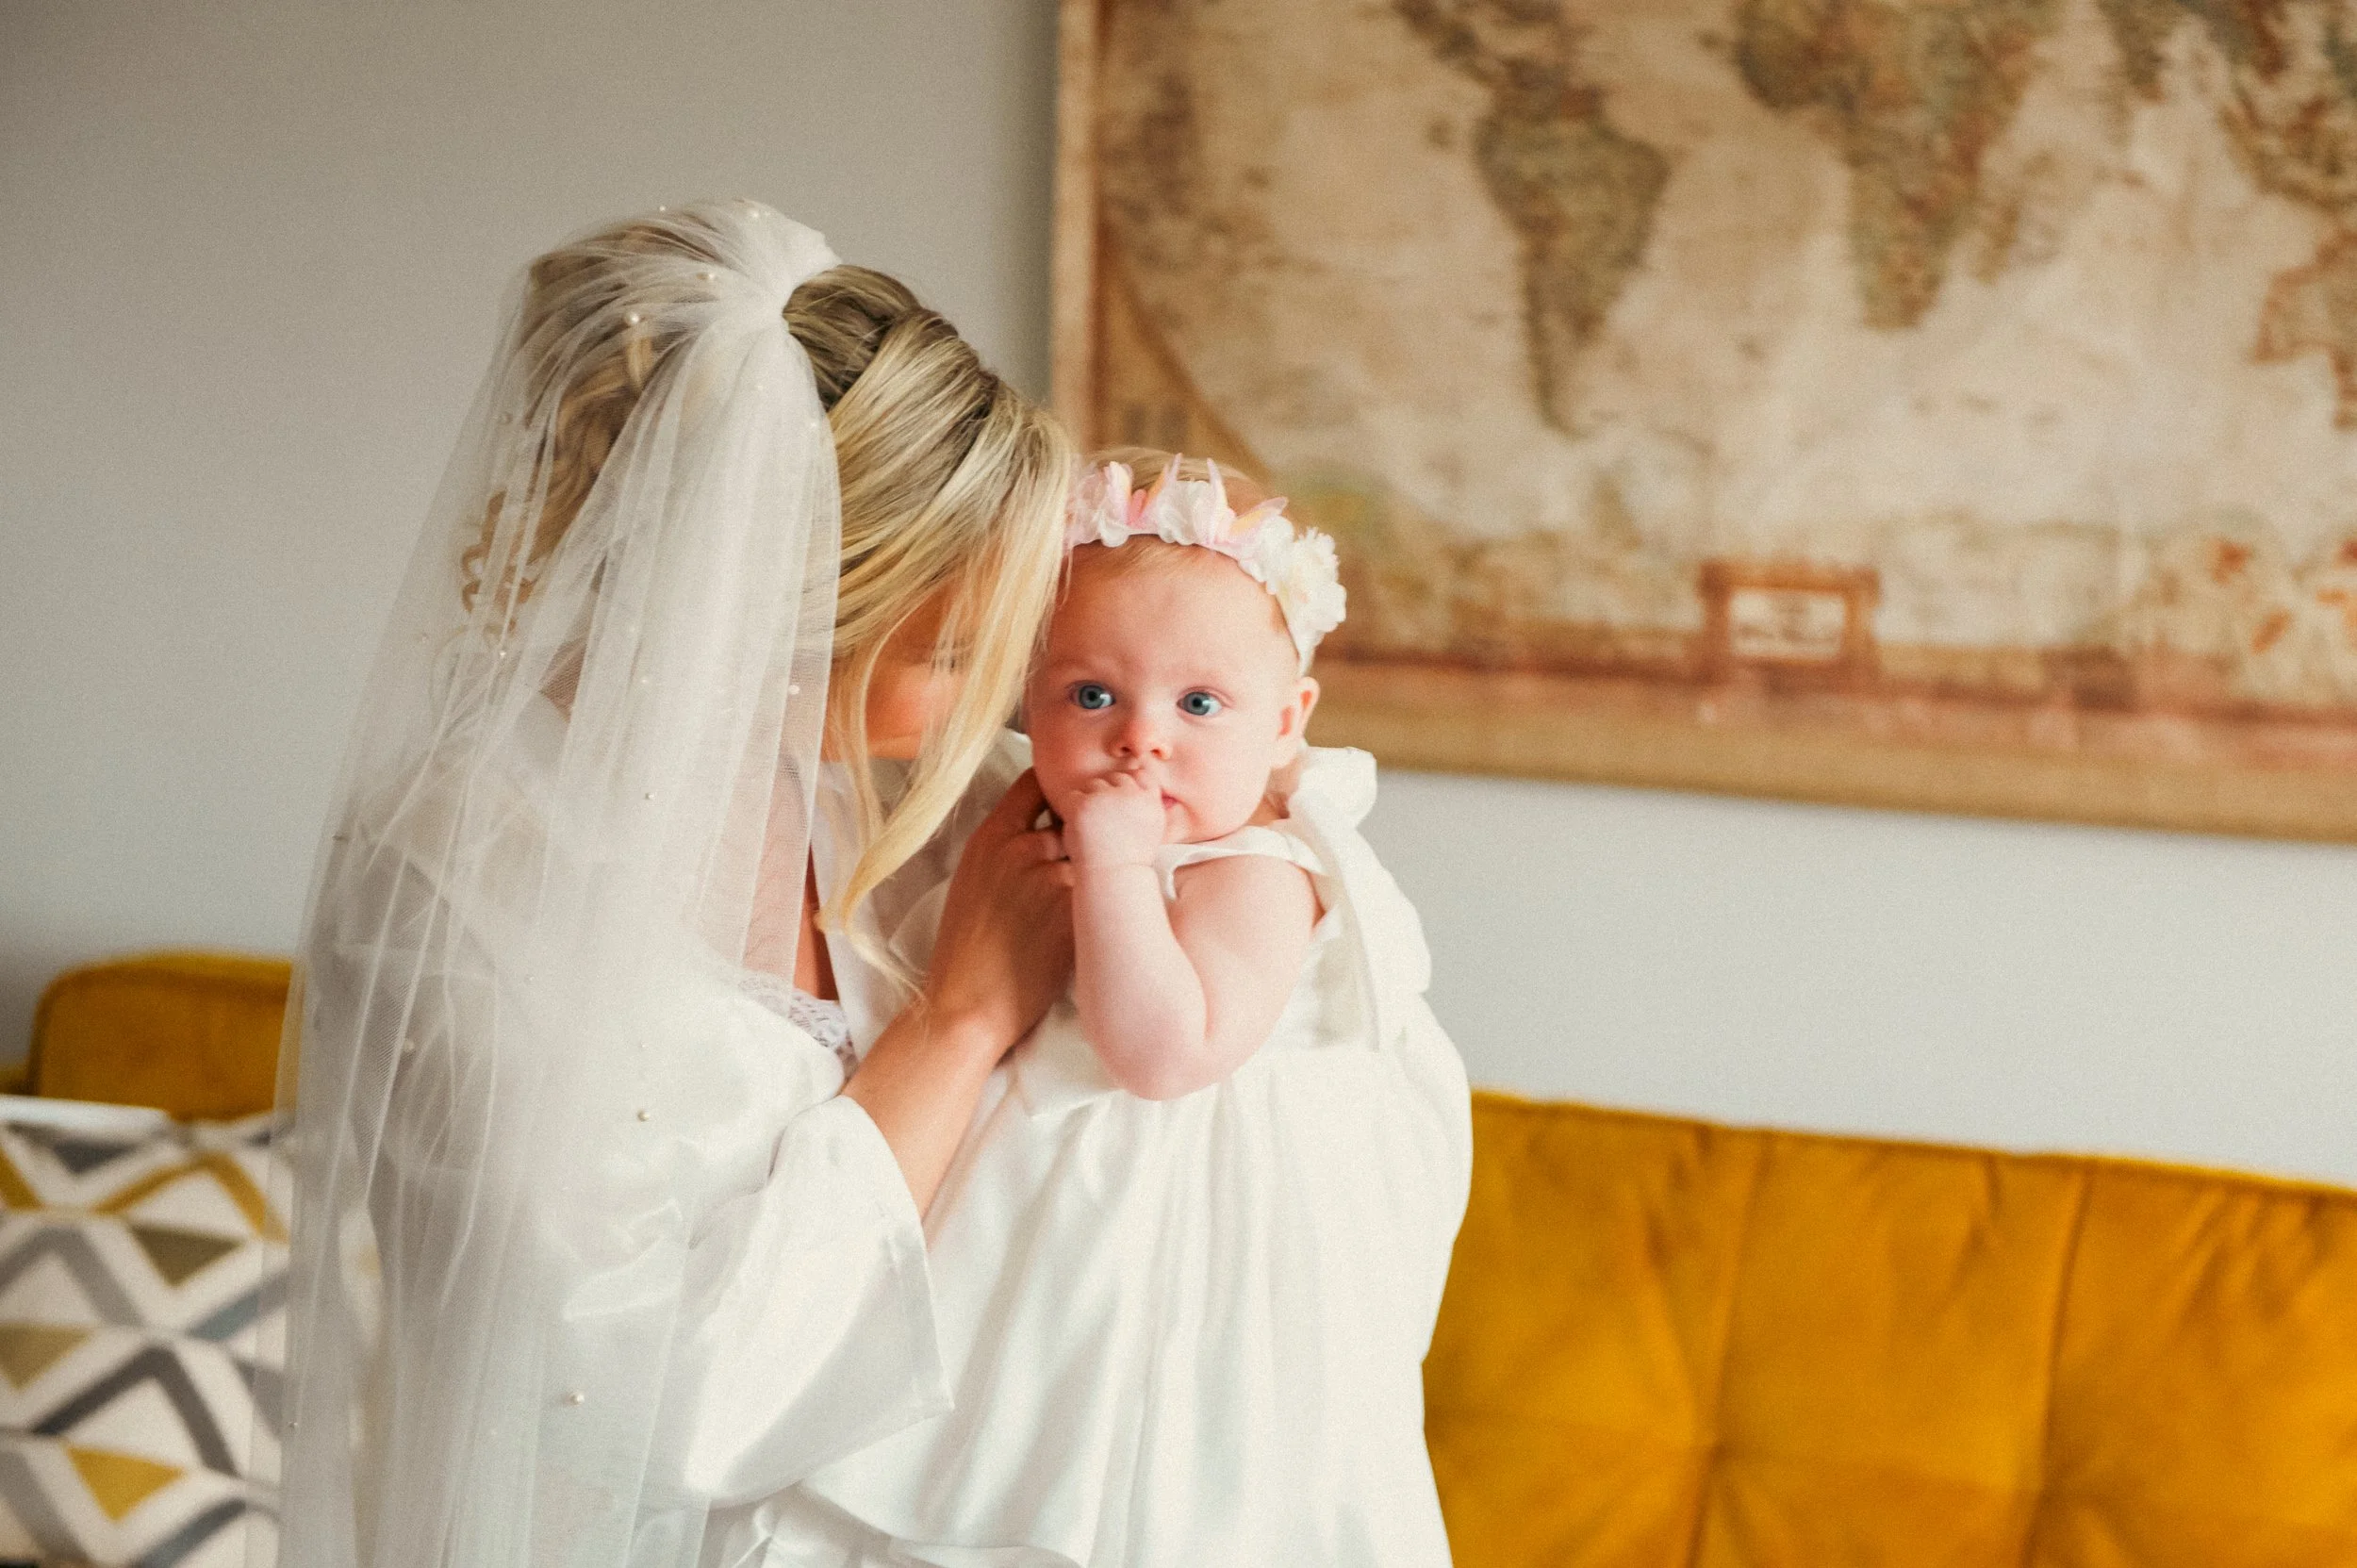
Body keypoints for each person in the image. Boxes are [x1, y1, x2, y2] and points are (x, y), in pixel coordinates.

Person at [276, 199, 1079, 1568]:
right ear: (783, 597)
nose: (990, 701)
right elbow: (638, 1405)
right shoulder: (454, 876)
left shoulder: (836, 783)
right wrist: (954, 1028)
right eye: (950, 653)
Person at [752, 453, 1474, 1566]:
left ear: (1287, 722)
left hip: (1169, 1285)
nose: (1143, 737)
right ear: (1028, 700)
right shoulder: (1031, 815)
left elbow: (1162, 1050)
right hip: (1023, 1250)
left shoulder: (1259, 870)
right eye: (1092, 695)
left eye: (1199, 703)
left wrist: (1119, 866)